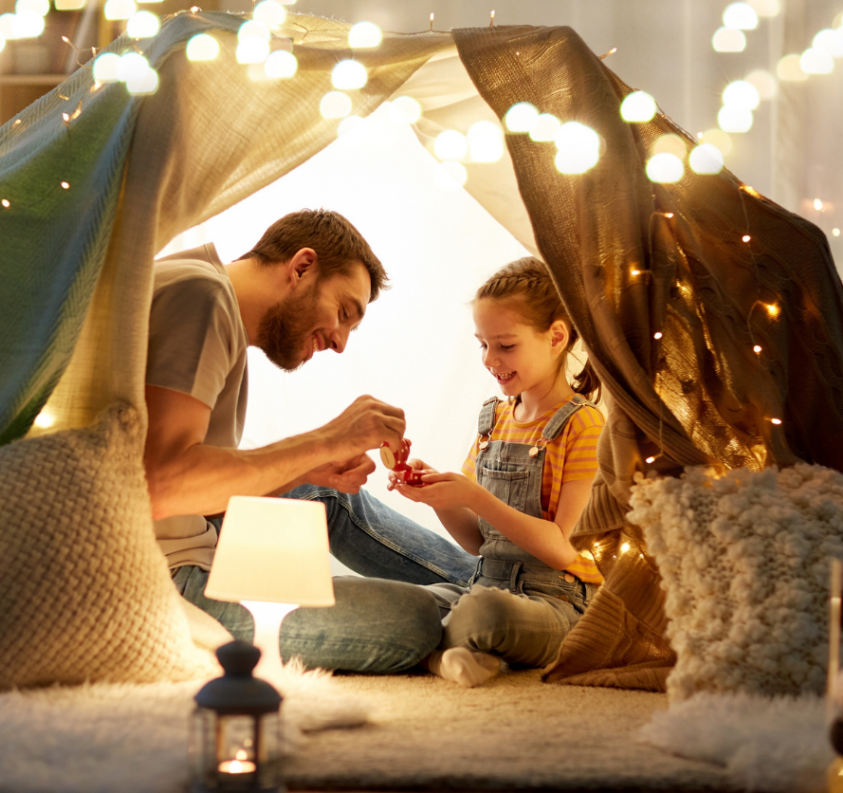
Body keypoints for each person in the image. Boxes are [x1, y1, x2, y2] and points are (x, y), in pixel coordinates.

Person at [144, 208, 477, 673]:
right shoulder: (201, 298)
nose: (340, 343)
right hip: (166, 578)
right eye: (344, 312)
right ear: (301, 267)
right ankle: (497, 602)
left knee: (321, 493)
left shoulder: (198, 284)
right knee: (415, 619)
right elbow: (161, 486)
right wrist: (326, 439)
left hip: (188, 536)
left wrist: (307, 469)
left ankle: (492, 588)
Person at [391, 257, 605, 687]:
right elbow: (476, 541)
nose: (490, 359)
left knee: (483, 613)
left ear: (556, 337)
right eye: (482, 344)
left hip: (555, 602)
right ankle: (450, 652)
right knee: (397, 605)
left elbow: (566, 550)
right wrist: (437, 496)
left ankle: (433, 655)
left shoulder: (584, 425)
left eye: (505, 345)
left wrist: (475, 496)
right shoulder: (493, 419)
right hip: (482, 583)